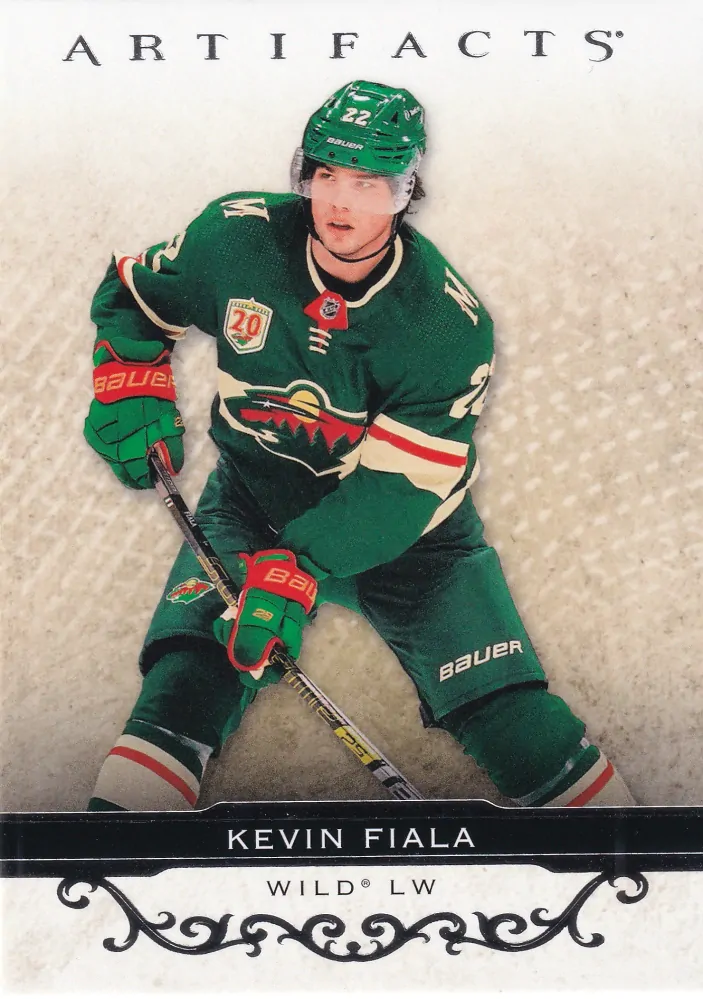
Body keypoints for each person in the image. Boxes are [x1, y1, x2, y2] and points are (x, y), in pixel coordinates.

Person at [84, 80, 635, 811]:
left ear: (405, 191)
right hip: (253, 504)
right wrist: (128, 375)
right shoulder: (235, 238)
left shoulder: (445, 324)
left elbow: (399, 489)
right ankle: (110, 855)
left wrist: (298, 569)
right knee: (188, 676)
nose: (340, 202)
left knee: (511, 719)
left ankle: (630, 857)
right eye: (326, 175)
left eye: (367, 183)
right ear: (303, 175)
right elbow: (138, 296)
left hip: (413, 542)